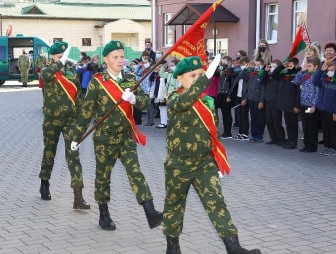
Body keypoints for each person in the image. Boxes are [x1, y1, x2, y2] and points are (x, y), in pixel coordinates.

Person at [163, 55, 261, 254]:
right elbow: (185, 101)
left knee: (217, 204)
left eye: (201, 75)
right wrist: (205, 79)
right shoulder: (174, 98)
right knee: (174, 205)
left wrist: (216, 160)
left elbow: (213, 133)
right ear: (180, 79)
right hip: (179, 164)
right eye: (193, 76)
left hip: (204, 164)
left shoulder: (207, 101)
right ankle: (172, 248)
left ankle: (233, 247)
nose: (199, 79)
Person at [70, 40, 162, 231]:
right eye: (115, 57)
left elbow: (145, 103)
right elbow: (85, 113)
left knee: (135, 172)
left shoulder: (129, 79)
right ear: (106, 59)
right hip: (105, 139)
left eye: (122, 56)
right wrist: (76, 137)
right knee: (103, 176)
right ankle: (104, 214)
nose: (120, 60)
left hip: (126, 137)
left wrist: (134, 98)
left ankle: (150, 212)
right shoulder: (98, 82)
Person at [39, 41, 90, 210]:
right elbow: (45, 76)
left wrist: (84, 117)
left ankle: (78, 196)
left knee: (73, 154)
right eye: (59, 54)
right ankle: (45, 182)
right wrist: (59, 63)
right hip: (51, 119)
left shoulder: (70, 70)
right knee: (49, 151)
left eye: (63, 54)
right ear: (52, 55)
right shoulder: (46, 67)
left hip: (70, 120)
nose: (62, 56)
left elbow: (78, 95)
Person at [293, 57, 321, 153]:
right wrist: (302, 71)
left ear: (316, 66)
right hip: (304, 104)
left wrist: (314, 105)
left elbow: (318, 93)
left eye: (310, 66)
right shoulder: (306, 75)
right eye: (307, 66)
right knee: (305, 125)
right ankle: (306, 144)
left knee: (312, 126)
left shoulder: (317, 77)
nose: (308, 68)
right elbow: (296, 81)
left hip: (311, 106)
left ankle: (312, 146)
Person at [314, 61, 336, 155]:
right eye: (328, 70)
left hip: (332, 110)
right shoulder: (324, 79)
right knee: (326, 130)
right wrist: (320, 70)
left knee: (333, 130)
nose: (329, 72)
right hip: (323, 109)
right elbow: (315, 81)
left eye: (332, 70)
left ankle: (333, 148)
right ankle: (327, 146)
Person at [264, 59, 286, 145]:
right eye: (271, 66)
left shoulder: (279, 76)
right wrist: (266, 72)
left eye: (274, 67)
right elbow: (262, 81)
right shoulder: (269, 76)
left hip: (276, 101)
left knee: (277, 121)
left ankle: (281, 138)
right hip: (269, 100)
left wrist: (280, 67)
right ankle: (274, 138)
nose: (272, 68)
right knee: (269, 121)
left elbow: (275, 73)